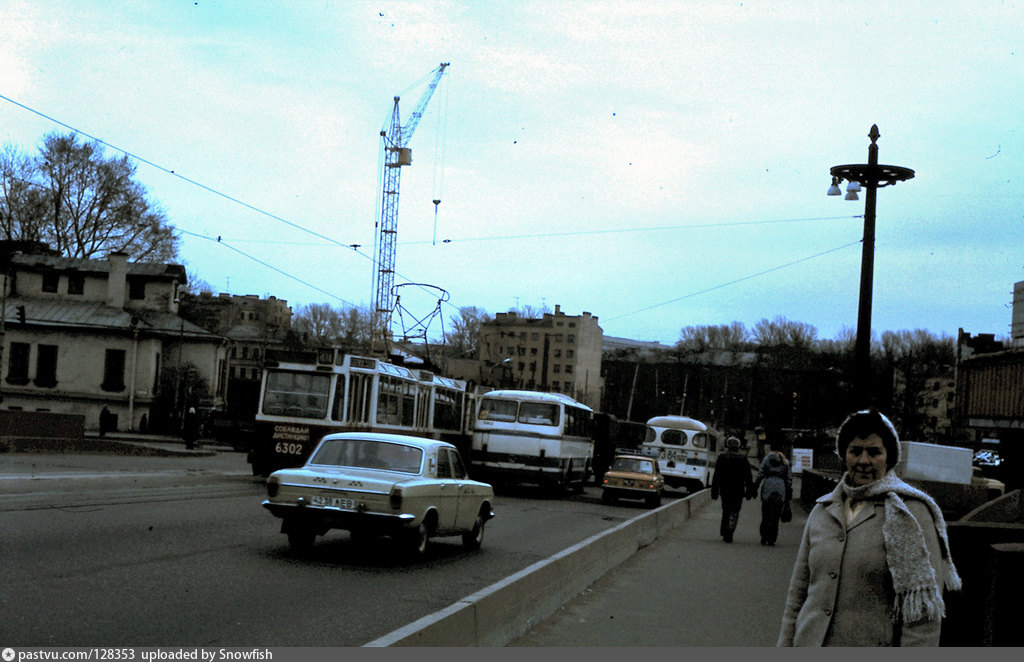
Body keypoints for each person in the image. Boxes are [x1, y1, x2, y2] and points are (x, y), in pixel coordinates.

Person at [778, 408, 962, 647]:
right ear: (844, 455)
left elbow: (922, 617)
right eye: (855, 451)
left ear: (889, 457)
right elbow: (798, 595)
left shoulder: (911, 513)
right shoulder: (823, 510)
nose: (863, 460)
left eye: (874, 452)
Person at [710, 436, 753, 543]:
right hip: (738, 489)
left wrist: (714, 491)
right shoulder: (743, 459)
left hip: (725, 489)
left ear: (727, 445)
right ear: (738, 446)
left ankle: (724, 531)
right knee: (735, 510)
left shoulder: (722, 457)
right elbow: (748, 477)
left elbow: (716, 476)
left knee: (726, 509)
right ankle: (730, 531)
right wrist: (749, 491)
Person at [752, 450, 792, 546]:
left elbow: (760, 474)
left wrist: (755, 486)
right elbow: (789, 478)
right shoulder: (785, 462)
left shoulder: (766, 459)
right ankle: (772, 539)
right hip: (780, 487)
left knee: (765, 514)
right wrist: (788, 491)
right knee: (776, 516)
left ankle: (764, 537)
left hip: (768, 486)